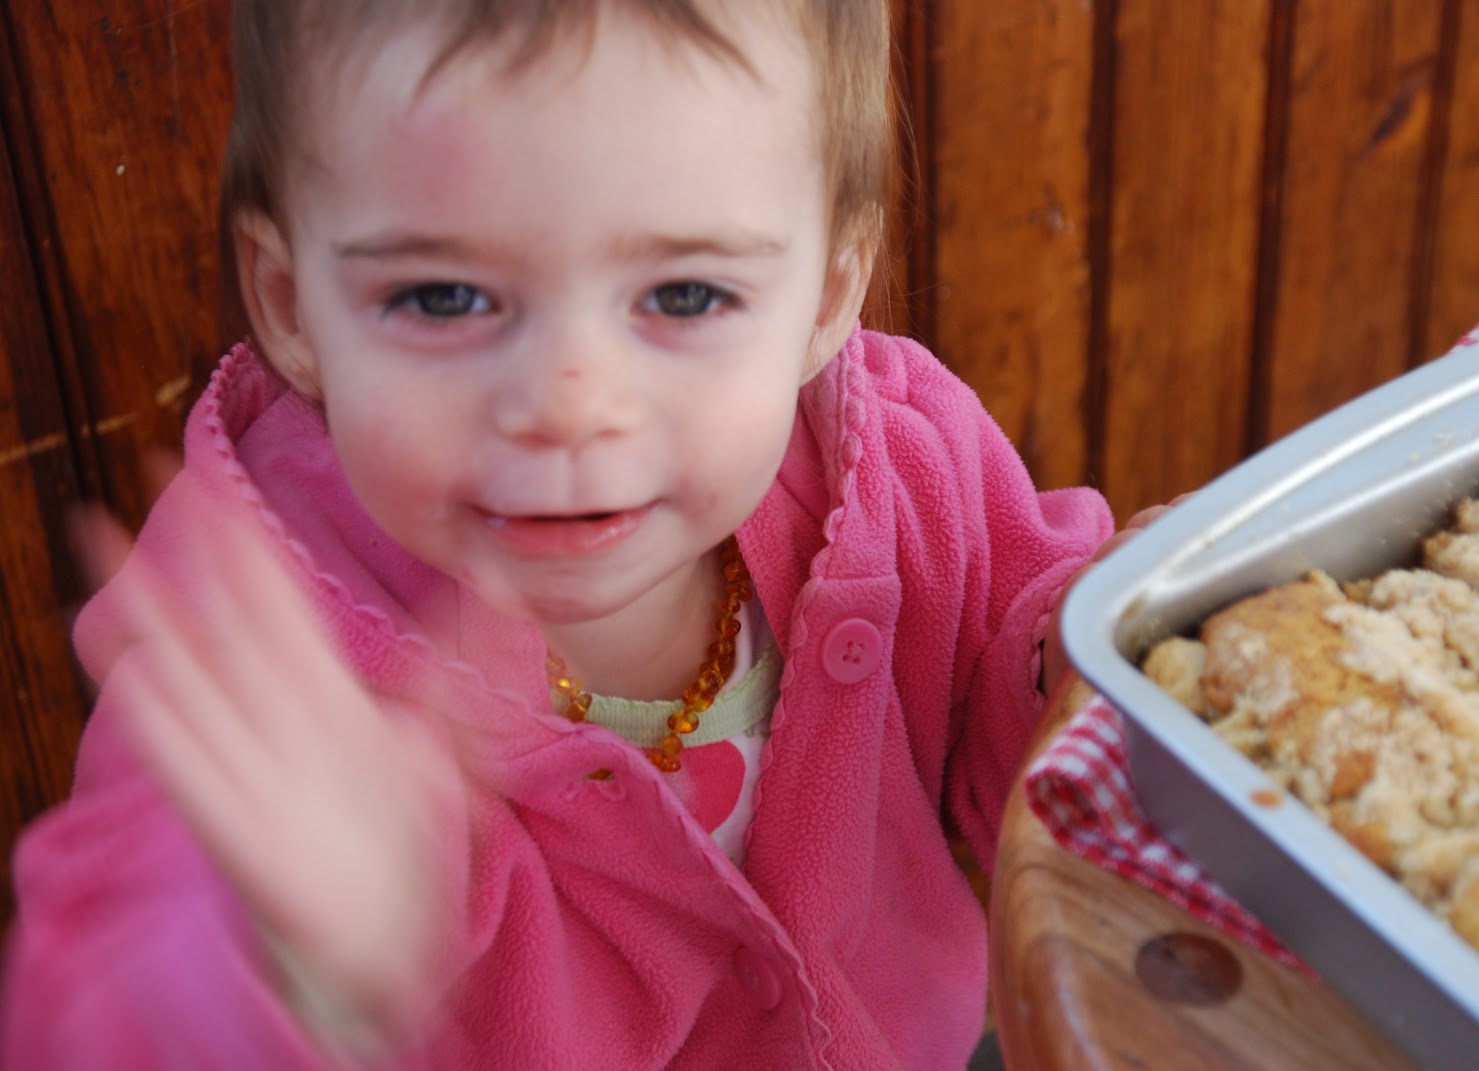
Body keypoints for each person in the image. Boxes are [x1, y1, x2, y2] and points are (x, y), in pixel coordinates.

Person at [1, 1, 1123, 1067]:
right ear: (292, 306)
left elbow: (1016, 706)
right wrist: (269, 956)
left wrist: (1099, 651)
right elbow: (84, 1017)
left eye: (684, 296)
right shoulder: (251, 639)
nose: (568, 402)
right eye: (443, 298)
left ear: (829, 295)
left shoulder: (904, 463)